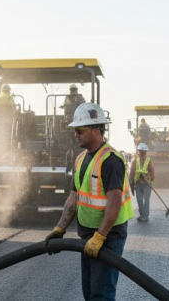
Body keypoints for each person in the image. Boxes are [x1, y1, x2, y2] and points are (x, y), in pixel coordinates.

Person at [44, 102, 133, 301]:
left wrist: (100, 236)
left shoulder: (110, 160)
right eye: (75, 129)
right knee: (90, 292)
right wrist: (60, 229)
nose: (75, 134)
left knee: (101, 295)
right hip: (89, 236)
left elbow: (114, 202)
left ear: (95, 130)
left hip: (108, 236)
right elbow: (73, 196)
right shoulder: (81, 159)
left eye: (80, 129)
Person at [129, 143, 155, 221]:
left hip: (147, 184)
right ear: (139, 151)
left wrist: (148, 178)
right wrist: (132, 185)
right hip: (138, 184)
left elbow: (152, 173)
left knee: (146, 200)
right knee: (139, 200)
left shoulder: (148, 161)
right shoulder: (135, 161)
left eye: (143, 152)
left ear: (145, 152)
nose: (142, 153)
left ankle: (145, 216)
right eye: (141, 151)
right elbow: (132, 174)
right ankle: (142, 215)